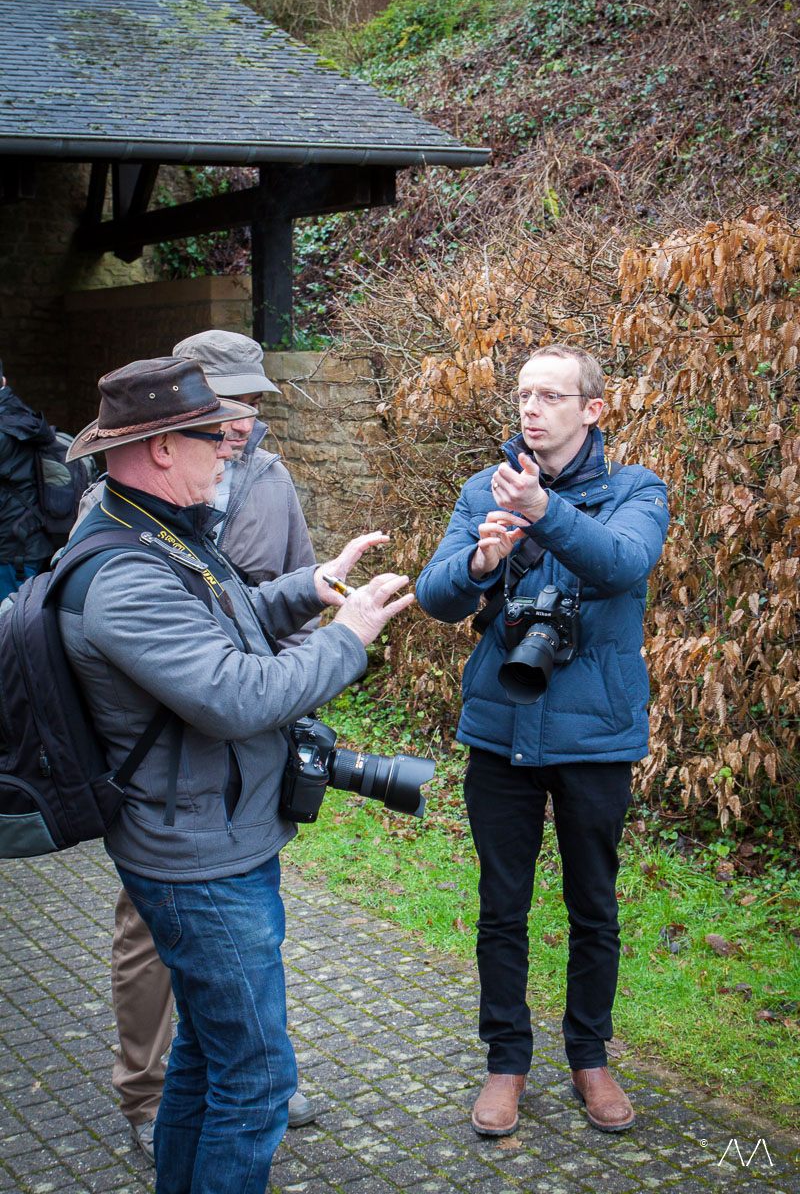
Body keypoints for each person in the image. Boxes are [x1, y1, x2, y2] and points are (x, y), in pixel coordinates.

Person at [58, 355, 415, 1193]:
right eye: (212, 437)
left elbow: (231, 612)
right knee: (255, 1080)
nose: (229, 449)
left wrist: (310, 586)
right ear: (156, 449)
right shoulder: (122, 574)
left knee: (206, 1057)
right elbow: (236, 695)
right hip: (198, 862)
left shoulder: (152, 529)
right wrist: (350, 634)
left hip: (208, 838)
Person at [415, 344, 669, 1136]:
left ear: (593, 409)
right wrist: (483, 560)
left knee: (593, 904)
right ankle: (506, 1063)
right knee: (502, 906)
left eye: (552, 396)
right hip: (501, 730)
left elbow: (625, 564)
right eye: (525, 394)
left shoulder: (636, 489)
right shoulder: (479, 489)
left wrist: (542, 513)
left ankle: (590, 1058)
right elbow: (435, 596)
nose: (532, 409)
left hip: (595, 736)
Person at [106, 331, 319, 1158]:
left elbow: (290, 596)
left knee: (239, 945)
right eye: (227, 402)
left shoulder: (272, 480)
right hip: (164, 786)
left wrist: (297, 674)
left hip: (243, 767)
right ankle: (145, 1094)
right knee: (149, 940)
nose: (242, 419)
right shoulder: (119, 512)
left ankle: (244, 1064)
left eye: (254, 401)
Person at [0, 357, 58, 598]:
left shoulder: (5, 427)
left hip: (11, 550)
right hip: (25, 541)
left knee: (9, 628)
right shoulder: (18, 415)